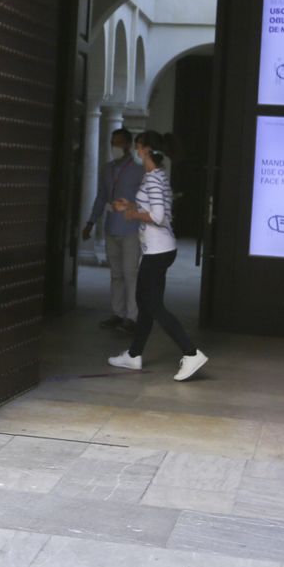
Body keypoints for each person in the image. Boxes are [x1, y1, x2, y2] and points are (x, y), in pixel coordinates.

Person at [108, 130, 210, 381]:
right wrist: (130, 206)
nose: (135, 149)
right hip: (161, 249)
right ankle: (133, 355)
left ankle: (191, 353)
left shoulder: (153, 178)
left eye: (138, 146)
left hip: (157, 250)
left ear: (145, 150)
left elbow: (158, 216)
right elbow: (155, 208)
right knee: (146, 303)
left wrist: (132, 215)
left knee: (152, 305)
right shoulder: (158, 176)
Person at [82, 128, 144, 332]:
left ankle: (132, 317)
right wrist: (91, 222)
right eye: (112, 143)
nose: (114, 147)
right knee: (116, 274)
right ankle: (117, 313)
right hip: (111, 227)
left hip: (132, 228)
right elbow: (101, 196)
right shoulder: (107, 169)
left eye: (118, 143)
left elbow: (144, 202)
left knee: (130, 273)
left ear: (127, 145)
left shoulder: (138, 170)